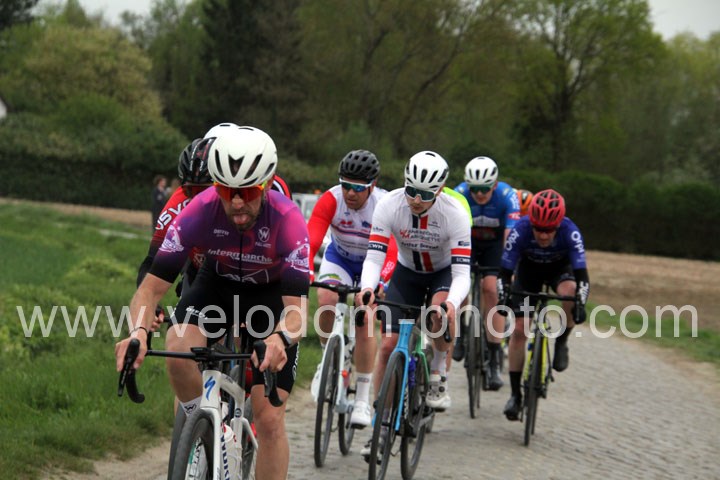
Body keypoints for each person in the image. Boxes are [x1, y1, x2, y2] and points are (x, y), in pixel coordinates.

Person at [115, 125, 310, 480]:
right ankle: (205, 430)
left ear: (267, 184)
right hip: (217, 284)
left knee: (268, 419)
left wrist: (281, 338)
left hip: (269, 295)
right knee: (177, 346)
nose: (235, 203)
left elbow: (297, 312)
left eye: (247, 192)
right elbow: (150, 289)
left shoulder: (288, 220)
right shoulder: (200, 210)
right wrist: (138, 332)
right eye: (225, 190)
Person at [356, 150, 471, 441]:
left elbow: (462, 274)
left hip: (443, 273)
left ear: (440, 190)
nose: (416, 200)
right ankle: (382, 422)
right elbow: (374, 257)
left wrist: (451, 303)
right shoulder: (389, 204)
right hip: (407, 274)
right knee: (388, 346)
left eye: (425, 194)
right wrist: (367, 287)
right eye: (411, 191)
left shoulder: (454, 214)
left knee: (438, 313)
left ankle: (438, 372)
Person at [307, 149, 398, 429]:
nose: (350, 193)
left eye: (358, 188)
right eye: (345, 185)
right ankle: (327, 358)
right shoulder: (331, 199)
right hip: (341, 259)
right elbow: (311, 239)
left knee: (365, 317)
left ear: (372, 185)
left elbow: (392, 250)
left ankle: (361, 398)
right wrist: (305, 270)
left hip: (373, 263)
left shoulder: (384, 204)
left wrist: (381, 283)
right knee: (325, 297)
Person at [497, 189, 589, 421]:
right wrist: (503, 296)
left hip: (559, 270)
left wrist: (580, 303)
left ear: (558, 225)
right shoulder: (521, 230)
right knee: (520, 329)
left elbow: (582, 277)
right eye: (538, 229)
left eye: (549, 230)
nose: (543, 235)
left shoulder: (571, 232)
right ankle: (515, 395)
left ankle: (562, 341)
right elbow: (505, 272)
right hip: (529, 272)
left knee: (570, 292)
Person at [452, 156, 520, 391]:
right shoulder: (459, 194)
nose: (479, 194)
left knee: (491, 289)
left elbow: (510, 239)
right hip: (467, 243)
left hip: (494, 247)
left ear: (495, 184)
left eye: (485, 188)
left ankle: (493, 358)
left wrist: (508, 272)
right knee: (459, 286)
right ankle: (461, 332)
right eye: (475, 189)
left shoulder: (507, 196)